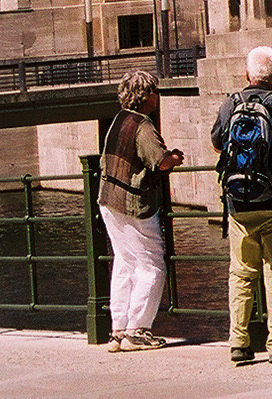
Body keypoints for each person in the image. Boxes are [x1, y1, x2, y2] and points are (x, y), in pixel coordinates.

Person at [211, 45, 272, 365]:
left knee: (241, 273)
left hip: (238, 203)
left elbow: (216, 142)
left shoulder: (230, 104)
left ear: (247, 74)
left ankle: (239, 342)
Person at [97, 69, 183, 352]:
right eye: (155, 92)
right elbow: (159, 162)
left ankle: (118, 330)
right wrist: (175, 158)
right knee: (151, 265)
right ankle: (138, 330)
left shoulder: (117, 121)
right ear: (146, 96)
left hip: (108, 199)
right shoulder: (143, 125)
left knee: (123, 264)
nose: (157, 97)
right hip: (133, 204)